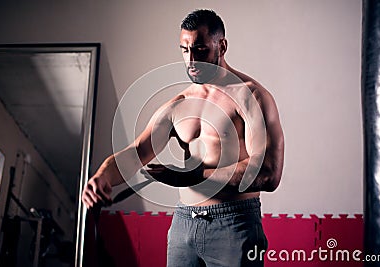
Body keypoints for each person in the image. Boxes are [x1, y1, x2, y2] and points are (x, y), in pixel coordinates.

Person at [82, 9, 284, 267]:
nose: (191, 60)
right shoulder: (180, 104)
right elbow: (136, 153)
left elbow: (268, 174)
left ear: (221, 46)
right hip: (184, 223)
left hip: (234, 223)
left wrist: (195, 175)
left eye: (200, 49)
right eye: (185, 49)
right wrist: (103, 176)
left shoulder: (251, 97)